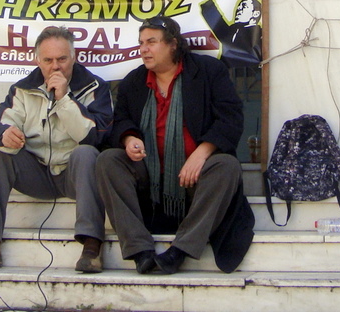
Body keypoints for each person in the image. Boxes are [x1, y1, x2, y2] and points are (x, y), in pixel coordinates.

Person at [95, 16, 254, 274]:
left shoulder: (207, 71)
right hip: (150, 180)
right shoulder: (134, 81)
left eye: (152, 42)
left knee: (226, 166)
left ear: (173, 45)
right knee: (108, 160)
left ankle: (180, 251)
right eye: (141, 43)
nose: (144, 49)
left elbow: (231, 117)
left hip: (195, 180)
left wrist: (201, 154)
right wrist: (129, 138)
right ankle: (139, 250)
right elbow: (120, 119)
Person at [0, 26, 112, 273]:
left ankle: (92, 245)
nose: (56, 67)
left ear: (74, 57)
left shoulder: (95, 87)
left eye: (62, 59)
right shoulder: (22, 89)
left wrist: (64, 100)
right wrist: (5, 134)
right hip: (36, 173)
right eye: (48, 60)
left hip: (74, 176)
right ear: (37, 61)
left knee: (86, 154)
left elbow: (95, 137)